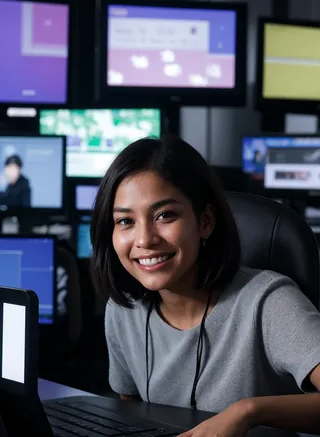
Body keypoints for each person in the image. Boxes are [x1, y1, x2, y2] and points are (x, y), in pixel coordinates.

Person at [90, 135, 320, 437]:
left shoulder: (269, 302)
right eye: (125, 221)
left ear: (205, 222)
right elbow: (132, 412)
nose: (145, 240)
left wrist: (249, 411)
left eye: (164, 215)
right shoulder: (123, 312)